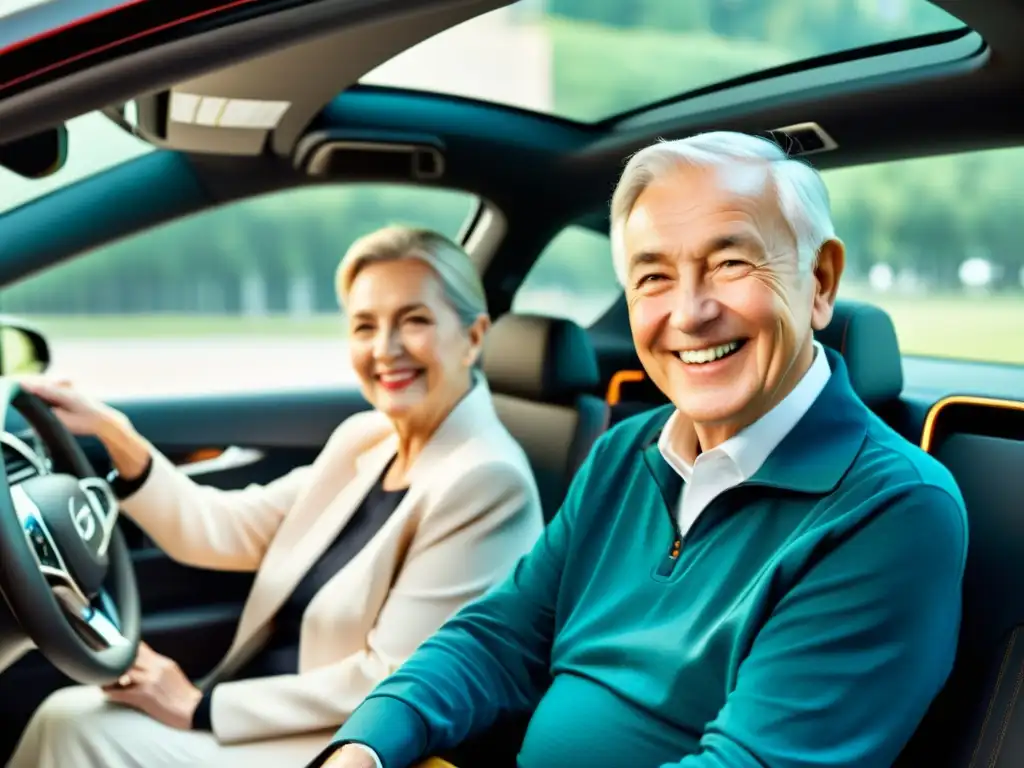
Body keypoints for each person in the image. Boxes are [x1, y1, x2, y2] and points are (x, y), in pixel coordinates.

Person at [315, 133, 969, 768]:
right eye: (653, 276)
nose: (689, 312)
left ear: (820, 281)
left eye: (730, 263)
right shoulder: (623, 452)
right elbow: (499, 637)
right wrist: (365, 746)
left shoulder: (895, 509)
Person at [8, 226, 544, 768]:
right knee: (72, 715)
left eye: (415, 320)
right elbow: (223, 528)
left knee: (74, 727)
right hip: (267, 720)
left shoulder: (487, 480)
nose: (385, 349)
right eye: (364, 325)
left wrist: (200, 705)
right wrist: (114, 434)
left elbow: (398, 675)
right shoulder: (366, 438)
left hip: (344, 743)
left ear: (474, 337)